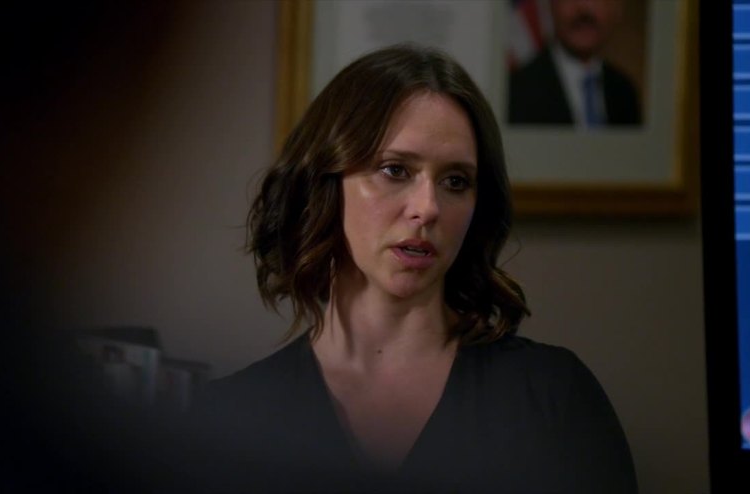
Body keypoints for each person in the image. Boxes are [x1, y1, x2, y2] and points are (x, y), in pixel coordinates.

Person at [199, 44, 638, 493]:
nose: (428, 208)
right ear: (324, 185)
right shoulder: (229, 417)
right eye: (395, 170)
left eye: (455, 181)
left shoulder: (552, 396)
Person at [508, 0, 641, 127]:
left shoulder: (625, 92)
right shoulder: (517, 91)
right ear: (551, 5)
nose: (584, 8)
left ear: (616, 10)